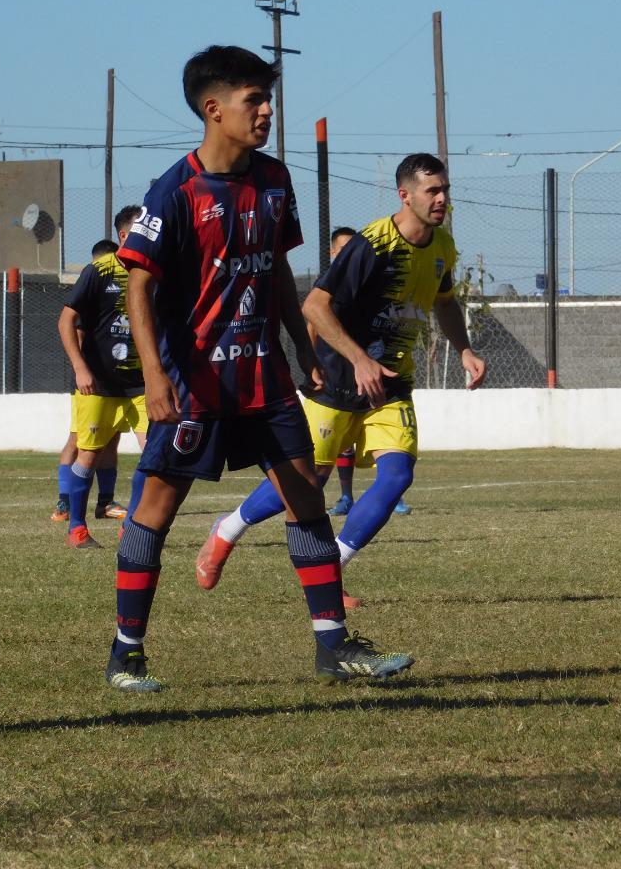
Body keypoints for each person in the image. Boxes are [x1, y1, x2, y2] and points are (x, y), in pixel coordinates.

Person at [105, 45, 413, 693]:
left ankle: (334, 647)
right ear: (213, 109)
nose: (267, 110)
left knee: (307, 497)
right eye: (254, 99)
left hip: (265, 378)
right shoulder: (177, 189)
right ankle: (126, 654)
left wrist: (301, 349)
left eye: (269, 98)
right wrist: (155, 378)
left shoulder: (275, 180)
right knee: (155, 510)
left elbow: (272, 269)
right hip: (196, 382)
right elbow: (137, 285)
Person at [198, 152, 487, 607]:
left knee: (396, 477)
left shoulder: (443, 248)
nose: (442, 198)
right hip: (337, 382)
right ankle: (227, 529)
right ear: (405, 195)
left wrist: (465, 348)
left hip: (391, 386)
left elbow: (446, 303)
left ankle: (330, 570)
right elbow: (315, 305)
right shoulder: (374, 244)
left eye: (445, 189)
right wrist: (356, 359)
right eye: (433, 191)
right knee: (305, 482)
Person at [51, 210, 147, 525]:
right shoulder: (98, 272)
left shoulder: (153, 271)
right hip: (98, 383)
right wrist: (80, 367)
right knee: (85, 450)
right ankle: (74, 521)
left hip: (141, 384)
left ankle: (131, 523)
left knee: (155, 455)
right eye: (144, 229)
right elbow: (67, 321)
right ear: (124, 236)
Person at [321, 227, 411, 520]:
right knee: (329, 454)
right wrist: (309, 359)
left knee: (390, 448)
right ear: (333, 253)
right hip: (338, 374)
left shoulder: (368, 277)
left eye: (353, 248)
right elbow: (312, 318)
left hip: (373, 369)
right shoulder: (328, 287)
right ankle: (346, 495)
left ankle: (388, 494)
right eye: (343, 250)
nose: (349, 254)